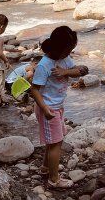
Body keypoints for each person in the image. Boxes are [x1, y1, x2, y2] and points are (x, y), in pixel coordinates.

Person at [30, 26, 88, 190]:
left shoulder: (64, 59)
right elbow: (34, 89)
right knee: (56, 143)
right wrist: (45, 109)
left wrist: (66, 72)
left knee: (52, 141)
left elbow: (78, 71)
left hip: (57, 106)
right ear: (58, 48)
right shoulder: (44, 65)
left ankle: (46, 168)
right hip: (48, 109)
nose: (70, 52)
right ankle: (54, 180)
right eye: (69, 49)